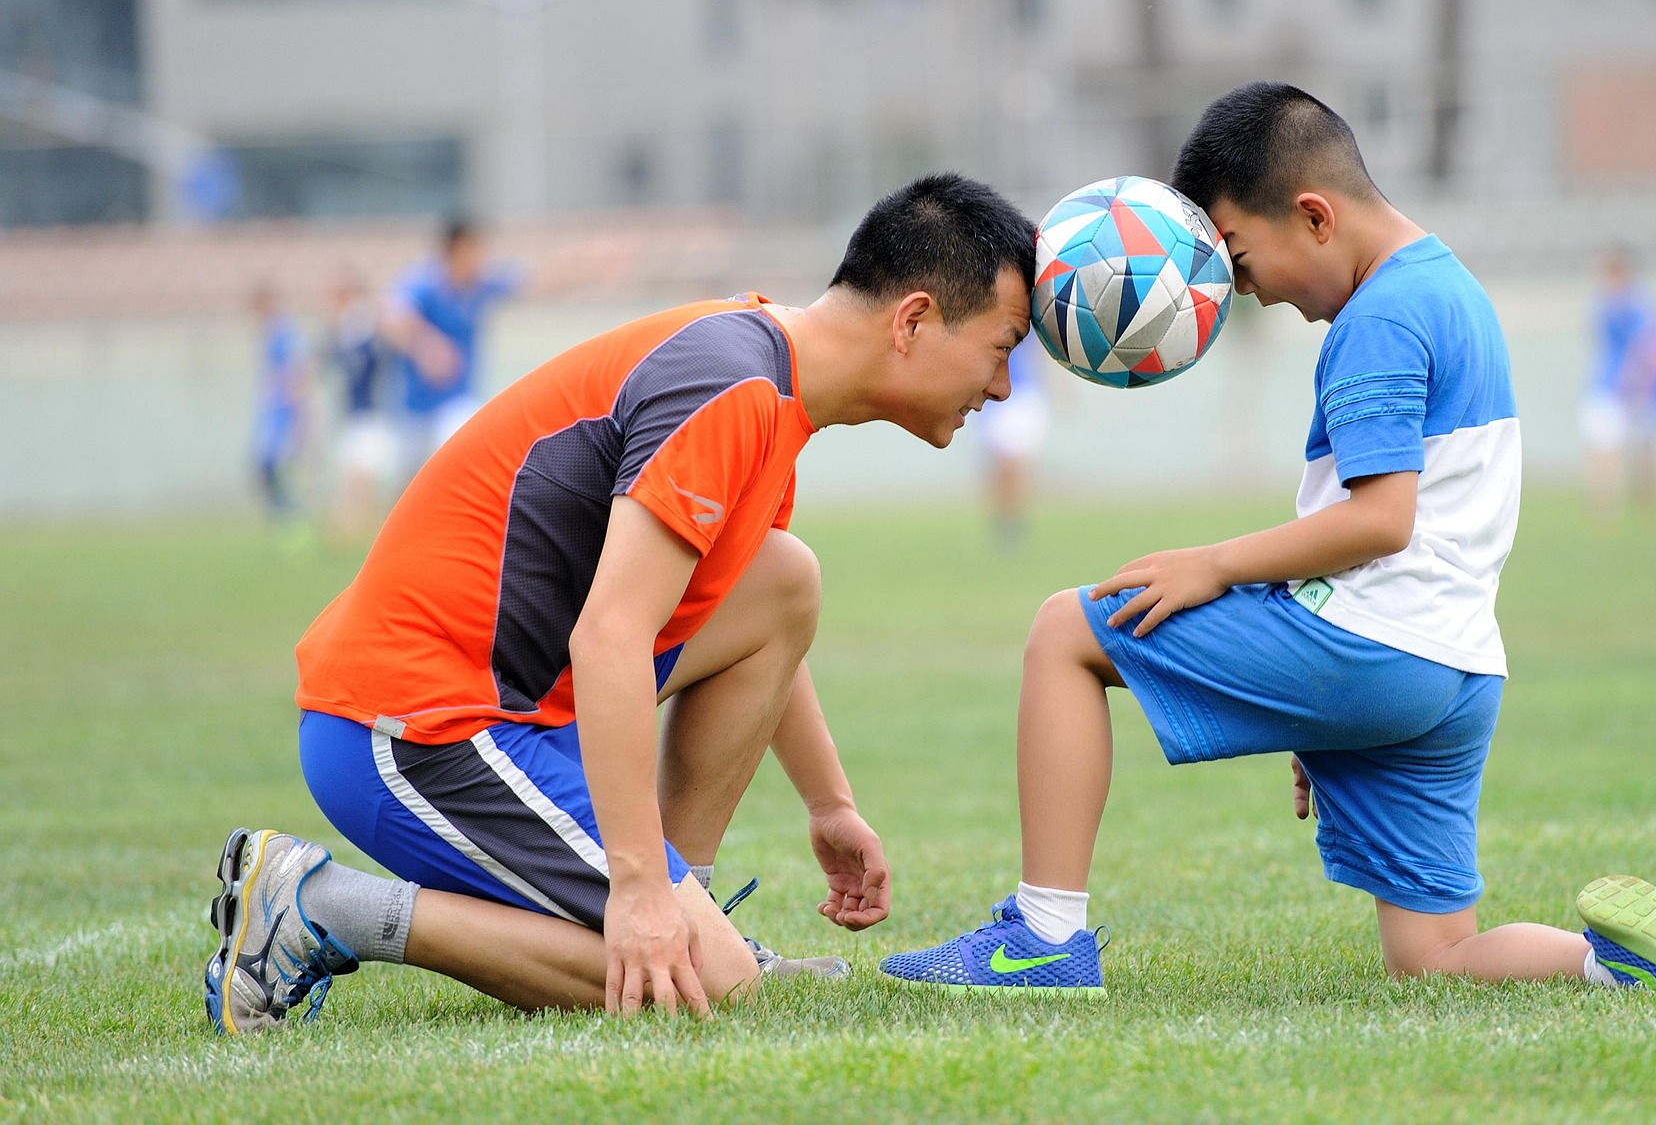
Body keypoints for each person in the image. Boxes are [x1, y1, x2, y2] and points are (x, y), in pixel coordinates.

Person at [881, 84, 1656, 1000]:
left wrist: (1214, 565)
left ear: (1313, 216)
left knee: (1063, 634)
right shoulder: (1450, 288)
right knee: (1432, 957)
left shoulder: (1377, 320)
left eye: (1237, 254)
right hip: (1455, 668)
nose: (1240, 288)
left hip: (1371, 648)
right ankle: (1619, 969)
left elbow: (1379, 521)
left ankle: (1042, 937)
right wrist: (1320, 713)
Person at [204, 174, 1038, 1032]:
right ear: (913, 319)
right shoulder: (734, 387)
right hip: (412, 727)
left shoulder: (768, 381)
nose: (1005, 386)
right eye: (1001, 346)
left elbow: (745, 613)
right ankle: (318, 909)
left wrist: (830, 805)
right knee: (706, 987)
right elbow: (611, 635)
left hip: (509, 712)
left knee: (784, 576)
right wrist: (640, 891)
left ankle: (693, 916)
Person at [383, 217, 523, 470]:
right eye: (476, 249)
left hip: (457, 402)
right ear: (458, 247)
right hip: (415, 406)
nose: (481, 257)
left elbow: (531, 283)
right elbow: (391, 317)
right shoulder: (425, 281)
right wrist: (426, 346)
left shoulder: (480, 284)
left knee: (464, 444)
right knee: (409, 486)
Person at [1578, 247, 1656, 520]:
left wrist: (1639, 383)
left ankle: (1643, 502)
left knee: (1638, 451)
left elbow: (1645, 347)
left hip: (1631, 388)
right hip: (1605, 385)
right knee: (1602, 447)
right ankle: (1606, 507)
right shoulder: (1603, 302)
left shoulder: (1636, 303)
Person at [323, 271, 401, 540]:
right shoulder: (344, 334)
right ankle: (358, 530)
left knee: (361, 478)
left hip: (371, 415)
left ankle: (355, 530)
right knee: (357, 479)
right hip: (357, 415)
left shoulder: (366, 332)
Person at [974, 332, 1051, 547]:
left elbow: (1041, 355)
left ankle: (1013, 521)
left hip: (1022, 393)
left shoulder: (1028, 325)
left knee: (1015, 464)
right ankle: (1005, 521)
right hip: (994, 398)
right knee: (999, 467)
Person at [249, 284, 310, 530]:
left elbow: (297, 370)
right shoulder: (272, 332)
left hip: (283, 411)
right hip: (274, 410)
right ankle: (285, 512)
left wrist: (298, 411)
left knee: (274, 464)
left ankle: (290, 513)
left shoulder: (283, 331)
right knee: (266, 466)